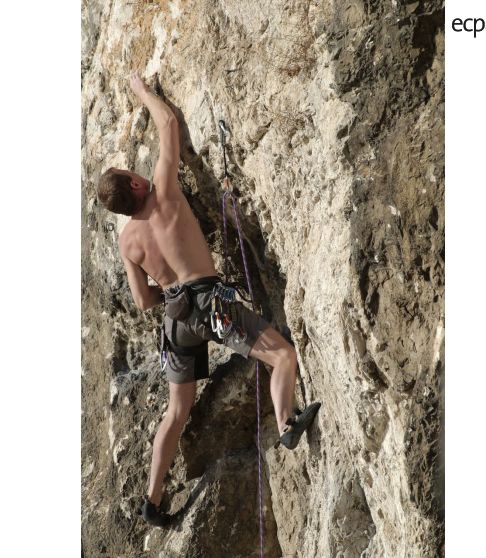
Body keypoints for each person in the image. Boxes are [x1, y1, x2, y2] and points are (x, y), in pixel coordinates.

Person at [97, 70, 320, 527]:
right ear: (135, 185)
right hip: (212, 306)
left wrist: (175, 293)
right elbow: (168, 126)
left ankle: (153, 503)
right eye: (131, 173)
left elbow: (142, 301)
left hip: (176, 320)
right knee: (281, 357)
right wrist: (141, 91)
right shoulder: (164, 196)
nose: (139, 173)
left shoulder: (129, 242)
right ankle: (286, 424)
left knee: (177, 411)